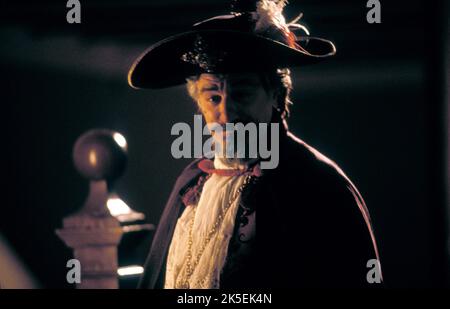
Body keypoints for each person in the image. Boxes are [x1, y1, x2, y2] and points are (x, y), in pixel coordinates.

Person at [128, 0, 381, 288]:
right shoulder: (192, 182)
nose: (226, 112)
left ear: (275, 94)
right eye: (213, 97)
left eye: (243, 93)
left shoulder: (317, 185)